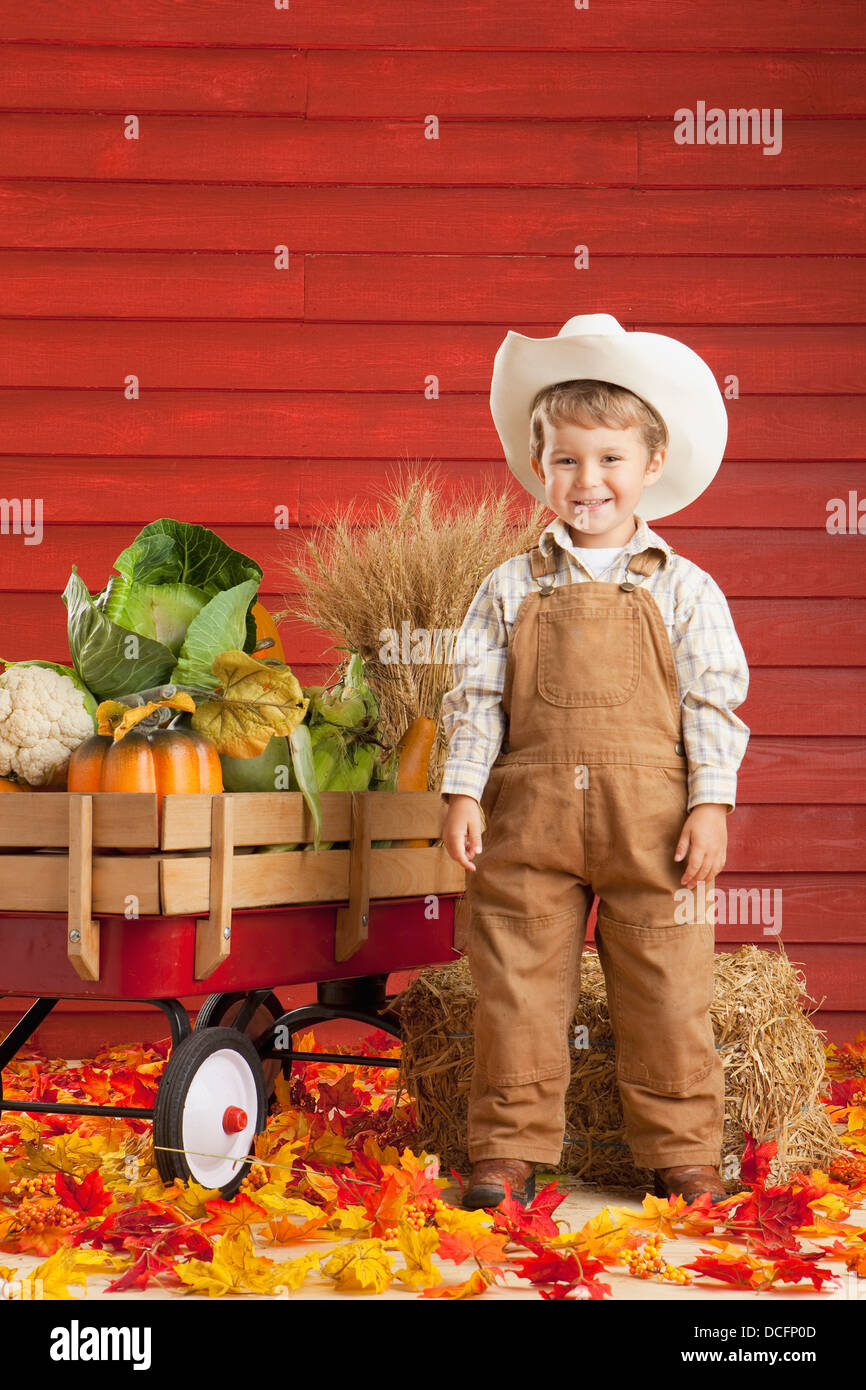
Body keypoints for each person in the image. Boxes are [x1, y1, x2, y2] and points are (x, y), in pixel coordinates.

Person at [439, 313, 750, 1211]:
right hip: (527, 820)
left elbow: (712, 704)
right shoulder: (508, 584)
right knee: (518, 989)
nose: (589, 481)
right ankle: (505, 1152)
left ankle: (684, 1153)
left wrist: (711, 805)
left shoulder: (684, 587)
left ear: (652, 465)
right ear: (541, 467)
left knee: (669, 990)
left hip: (654, 824)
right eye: (567, 460)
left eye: (610, 458)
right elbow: (476, 699)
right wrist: (462, 788)